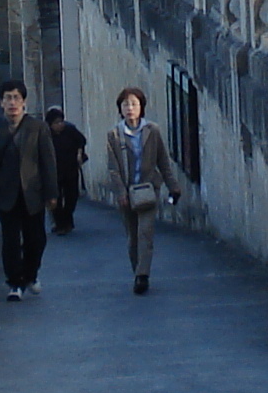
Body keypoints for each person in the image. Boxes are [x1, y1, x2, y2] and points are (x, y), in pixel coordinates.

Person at [0, 79, 59, 299]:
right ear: (1, 103)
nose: (12, 103)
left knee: (36, 239)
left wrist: (52, 194)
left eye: (16, 98)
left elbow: (48, 162)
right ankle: (14, 283)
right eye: (8, 98)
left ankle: (30, 274)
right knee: (10, 240)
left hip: (33, 193)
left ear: (24, 102)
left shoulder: (37, 128)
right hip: (6, 193)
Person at [106, 84, 182, 295]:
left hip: (148, 189)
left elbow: (163, 162)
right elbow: (113, 169)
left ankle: (142, 275)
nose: (130, 108)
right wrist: (121, 192)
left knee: (145, 232)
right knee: (132, 237)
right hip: (128, 193)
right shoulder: (114, 135)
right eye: (125, 104)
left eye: (134, 104)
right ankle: (137, 270)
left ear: (141, 107)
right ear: (120, 108)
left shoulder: (152, 131)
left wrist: (173, 186)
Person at [44, 106, 89, 234]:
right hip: (53, 172)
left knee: (72, 197)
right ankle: (60, 224)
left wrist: (79, 154)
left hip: (70, 169)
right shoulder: (45, 134)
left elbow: (81, 141)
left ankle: (67, 221)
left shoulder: (70, 130)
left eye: (61, 121)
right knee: (55, 200)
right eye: (56, 123)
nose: (60, 125)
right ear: (50, 124)